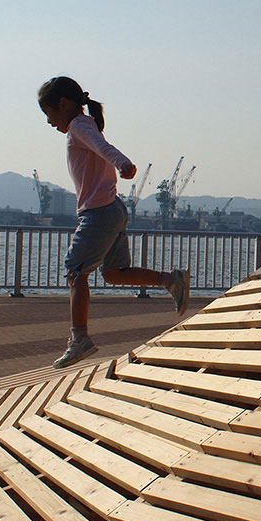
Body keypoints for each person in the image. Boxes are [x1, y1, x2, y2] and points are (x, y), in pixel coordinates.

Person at [38, 76, 190, 368]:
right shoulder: (84, 126)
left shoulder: (79, 126)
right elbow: (101, 146)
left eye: (49, 114)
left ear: (64, 104)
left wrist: (124, 164)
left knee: (75, 272)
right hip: (111, 210)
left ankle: (79, 339)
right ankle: (172, 281)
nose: (49, 122)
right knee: (115, 273)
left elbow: (103, 147)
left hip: (99, 212)